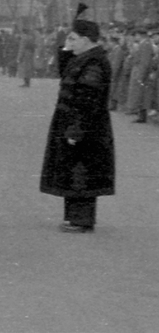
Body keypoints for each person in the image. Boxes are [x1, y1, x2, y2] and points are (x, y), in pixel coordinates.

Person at [40, 17, 114, 231]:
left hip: (85, 127)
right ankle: (75, 217)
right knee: (73, 170)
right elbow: (64, 71)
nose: (69, 43)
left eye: (73, 39)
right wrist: (66, 47)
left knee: (81, 172)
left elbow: (87, 100)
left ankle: (82, 220)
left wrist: (77, 129)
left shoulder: (93, 63)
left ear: (85, 39)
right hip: (76, 123)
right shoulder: (84, 58)